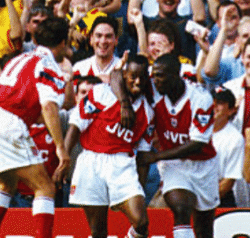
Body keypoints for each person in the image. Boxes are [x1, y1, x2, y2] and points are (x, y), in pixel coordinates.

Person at [0, 17, 71, 238]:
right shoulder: (49, 66)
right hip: (8, 122)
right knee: (45, 188)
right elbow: (48, 106)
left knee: (6, 184)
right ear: (63, 42)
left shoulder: (19, 59)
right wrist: (60, 147)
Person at [65, 54, 153, 238]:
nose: (137, 82)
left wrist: (141, 188)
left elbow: (144, 155)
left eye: (142, 78)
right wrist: (64, 158)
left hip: (122, 164)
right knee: (98, 232)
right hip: (91, 161)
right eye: (132, 77)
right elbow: (76, 125)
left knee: (141, 222)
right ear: (124, 75)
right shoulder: (100, 93)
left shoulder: (148, 112)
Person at [144, 54, 219, 238]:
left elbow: (198, 144)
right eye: (154, 75)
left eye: (161, 76)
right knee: (181, 209)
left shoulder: (200, 98)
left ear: (176, 74)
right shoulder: (153, 94)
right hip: (174, 165)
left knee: (204, 230)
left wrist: (156, 156)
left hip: (204, 165)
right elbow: (116, 79)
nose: (156, 80)